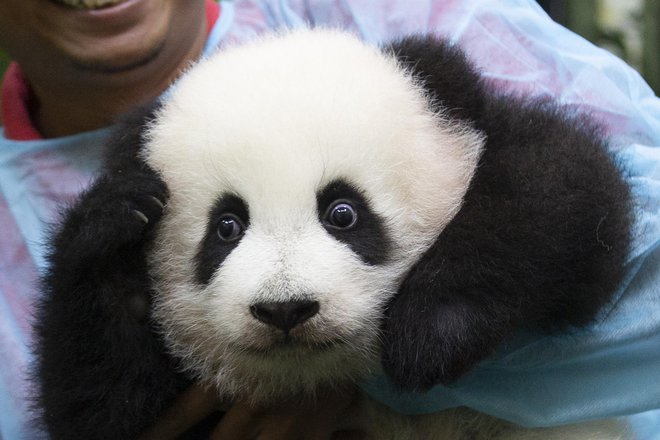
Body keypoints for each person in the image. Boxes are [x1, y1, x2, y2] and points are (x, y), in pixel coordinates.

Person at [1, 0, 658, 439]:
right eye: (226, 231)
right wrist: (96, 282)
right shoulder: (158, 173)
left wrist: (448, 313)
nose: (283, 287)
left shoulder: (402, 56)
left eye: (343, 215)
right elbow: (100, 414)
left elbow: (571, 189)